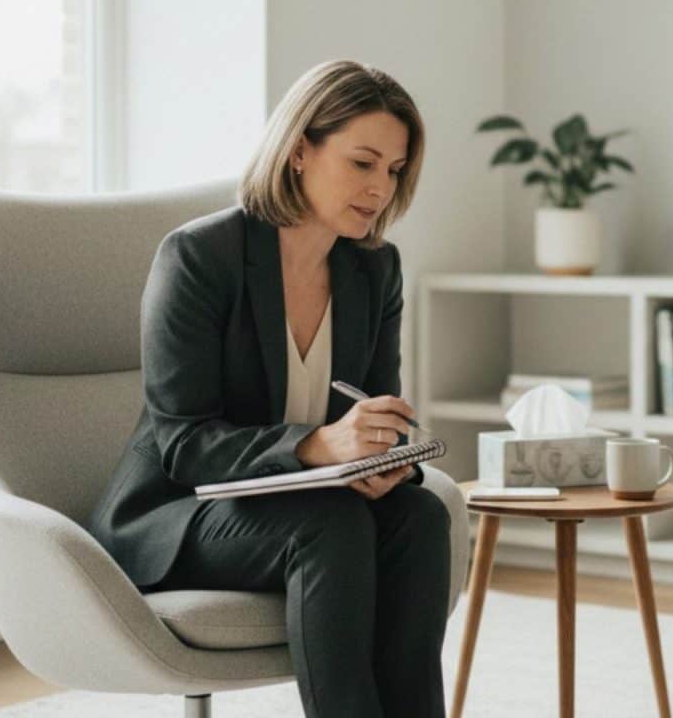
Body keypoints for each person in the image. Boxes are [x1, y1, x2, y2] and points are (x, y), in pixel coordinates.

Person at [88, 60, 450, 718]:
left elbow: (376, 412)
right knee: (328, 524)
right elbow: (183, 445)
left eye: (394, 171)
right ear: (298, 151)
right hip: (180, 511)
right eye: (363, 162)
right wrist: (317, 444)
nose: (380, 189)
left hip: (310, 501)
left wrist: (382, 460)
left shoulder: (375, 267)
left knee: (421, 518)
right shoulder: (199, 257)